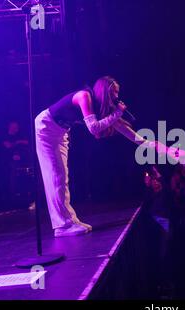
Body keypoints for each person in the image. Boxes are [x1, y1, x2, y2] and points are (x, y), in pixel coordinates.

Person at [35, 76, 155, 237]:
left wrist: (147, 144)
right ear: (104, 91)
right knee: (56, 177)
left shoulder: (99, 107)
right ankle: (61, 227)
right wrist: (118, 113)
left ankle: (70, 220)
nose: (116, 97)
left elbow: (118, 129)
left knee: (62, 177)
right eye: (114, 92)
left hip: (61, 132)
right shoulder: (84, 96)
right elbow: (94, 128)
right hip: (47, 128)